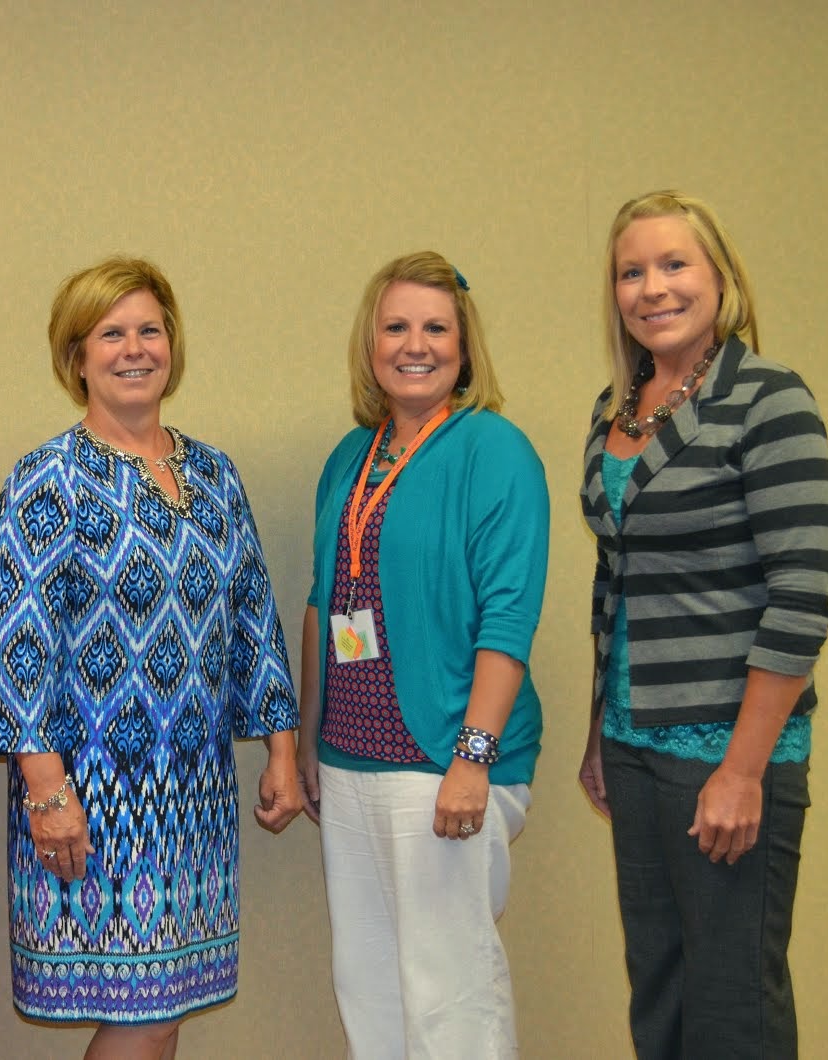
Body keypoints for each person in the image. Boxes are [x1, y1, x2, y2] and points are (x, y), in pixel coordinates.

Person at [0, 256, 301, 1058]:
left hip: (196, 794)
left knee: (164, 1011)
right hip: (93, 798)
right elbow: (15, 648)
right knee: (141, 1012)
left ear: (172, 345)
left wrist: (283, 754)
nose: (133, 348)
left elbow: (254, 617)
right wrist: (48, 793)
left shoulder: (214, 473)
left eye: (149, 329)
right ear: (77, 355)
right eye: (109, 333)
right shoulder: (47, 479)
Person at [577, 190, 828, 1059]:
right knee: (660, 988)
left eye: (674, 264)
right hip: (632, 743)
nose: (653, 288)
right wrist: (595, 733)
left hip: (727, 751)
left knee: (731, 1008)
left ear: (720, 278)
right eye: (631, 271)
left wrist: (743, 770)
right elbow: (616, 587)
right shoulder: (615, 412)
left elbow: (800, 597)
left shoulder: (768, 400)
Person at [296, 251, 548, 1058]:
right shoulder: (350, 456)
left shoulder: (494, 450)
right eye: (396, 326)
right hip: (349, 760)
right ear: (371, 344)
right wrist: (307, 740)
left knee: (450, 994)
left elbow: (509, 616)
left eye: (437, 328)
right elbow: (322, 601)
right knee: (368, 986)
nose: (417, 344)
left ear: (464, 347)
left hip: (443, 759)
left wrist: (473, 755)